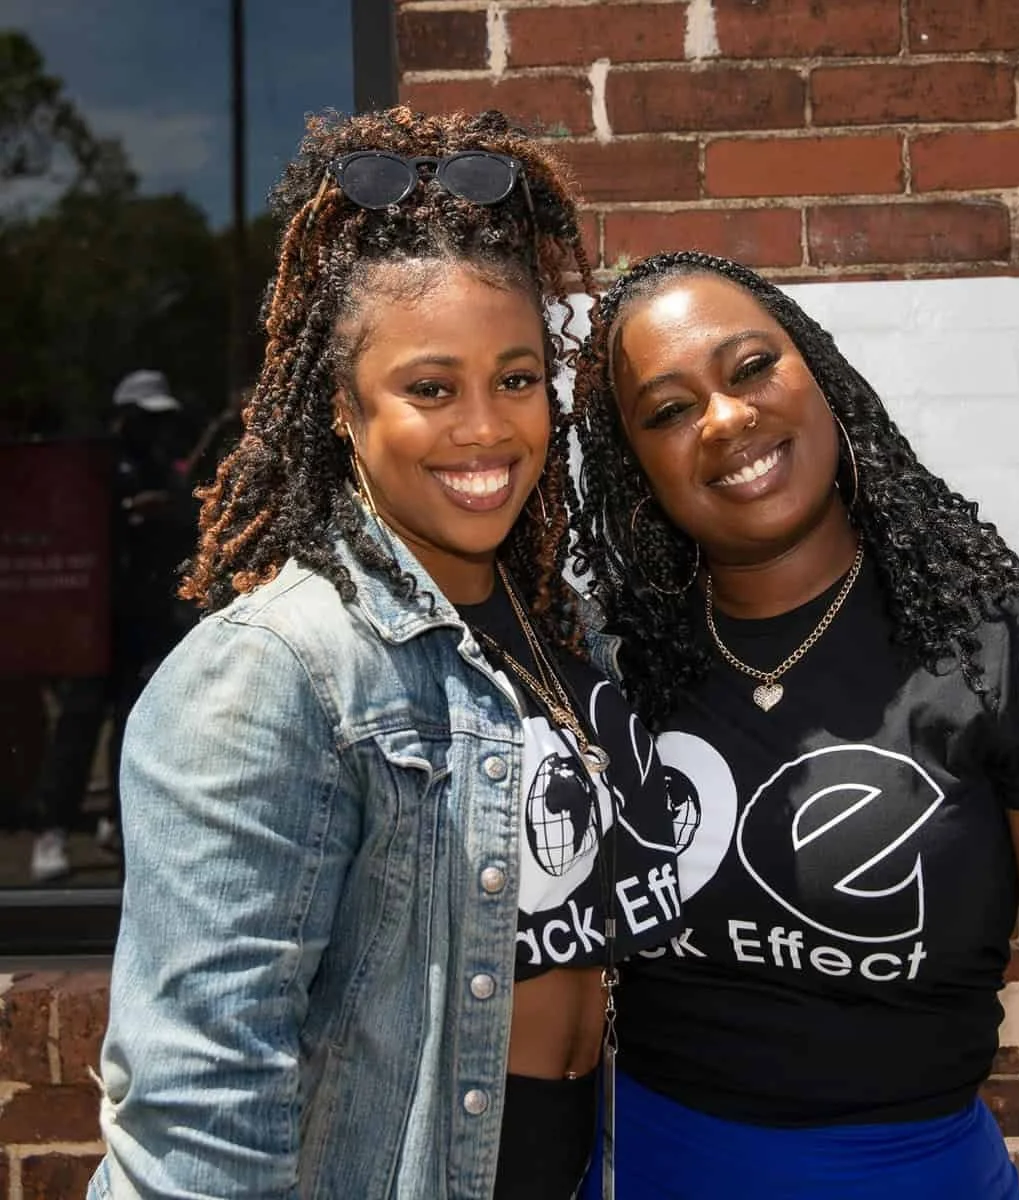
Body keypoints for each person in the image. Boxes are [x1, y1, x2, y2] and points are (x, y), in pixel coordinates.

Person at [88, 108, 680, 1200]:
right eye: (430, 388)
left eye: (515, 379)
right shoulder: (274, 672)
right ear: (343, 408)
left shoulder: (568, 638)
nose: (486, 428)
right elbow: (199, 1109)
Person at [570, 251, 1019, 1200]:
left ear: (821, 373)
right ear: (637, 468)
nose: (726, 419)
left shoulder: (1003, 648)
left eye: (752, 368)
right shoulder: (616, 665)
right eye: (669, 411)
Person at [29, 369, 194, 882]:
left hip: (142, 617)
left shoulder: (162, 467)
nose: (154, 430)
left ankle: (122, 826)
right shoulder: (96, 469)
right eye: (145, 420)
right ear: (124, 418)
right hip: (93, 619)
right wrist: (125, 512)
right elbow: (71, 528)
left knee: (134, 725)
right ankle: (52, 829)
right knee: (78, 724)